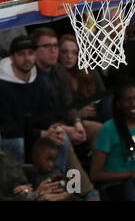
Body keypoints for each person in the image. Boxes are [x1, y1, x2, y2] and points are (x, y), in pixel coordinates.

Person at [30, 27, 101, 200]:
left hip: (64, 122)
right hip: (43, 128)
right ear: (35, 51)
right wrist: (67, 128)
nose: (53, 51)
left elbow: (69, 104)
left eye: (55, 46)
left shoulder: (59, 71)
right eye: (47, 46)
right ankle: (86, 191)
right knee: (63, 137)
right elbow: (37, 116)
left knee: (99, 129)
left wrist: (77, 122)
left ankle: (100, 176)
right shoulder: (30, 74)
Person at [0, 36, 67, 169]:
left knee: (61, 139)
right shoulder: (2, 85)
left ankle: (56, 183)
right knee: (19, 144)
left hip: (32, 133)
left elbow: (46, 114)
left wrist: (54, 128)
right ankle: (23, 186)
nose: (27, 58)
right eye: (21, 54)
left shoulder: (39, 81)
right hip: (10, 138)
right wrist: (41, 134)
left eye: (30, 53)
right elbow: (8, 128)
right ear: (12, 58)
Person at [90, 83, 135, 200]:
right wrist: (131, 174)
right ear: (119, 103)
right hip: (117, 188)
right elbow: (95, 175)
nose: (134, 104)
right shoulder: (109, 129)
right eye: (128, 100)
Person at [58, 34, 109, 123]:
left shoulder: (89, 70)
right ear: (58, 53)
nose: (69, 56)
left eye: (74, 53)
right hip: (72, 120)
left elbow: (103, 94)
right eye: (64, 52)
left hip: (96, 113)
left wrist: (94, 106)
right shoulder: (55, 75)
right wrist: (77, 114)